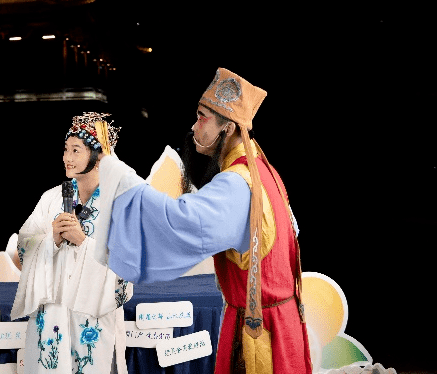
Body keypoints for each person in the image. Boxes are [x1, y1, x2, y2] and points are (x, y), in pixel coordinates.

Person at [93, 68, 311, 374]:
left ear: (228, 128)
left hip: (259, 333)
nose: (195, 126)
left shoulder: (237, 184)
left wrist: (122, 180)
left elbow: (181, 221)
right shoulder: (265, 171)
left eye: (202, 117)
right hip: (284, 326)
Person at [11, 112, 131, 374]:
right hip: (52, 316)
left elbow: (127, 269)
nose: (67, 157)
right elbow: (22, 248)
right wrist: (50, 241)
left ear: (99, 156)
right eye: (66, 149)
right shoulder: (51, 198)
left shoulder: (119, 202)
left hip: (93, 320)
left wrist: (84, 243)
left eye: (76, 150)